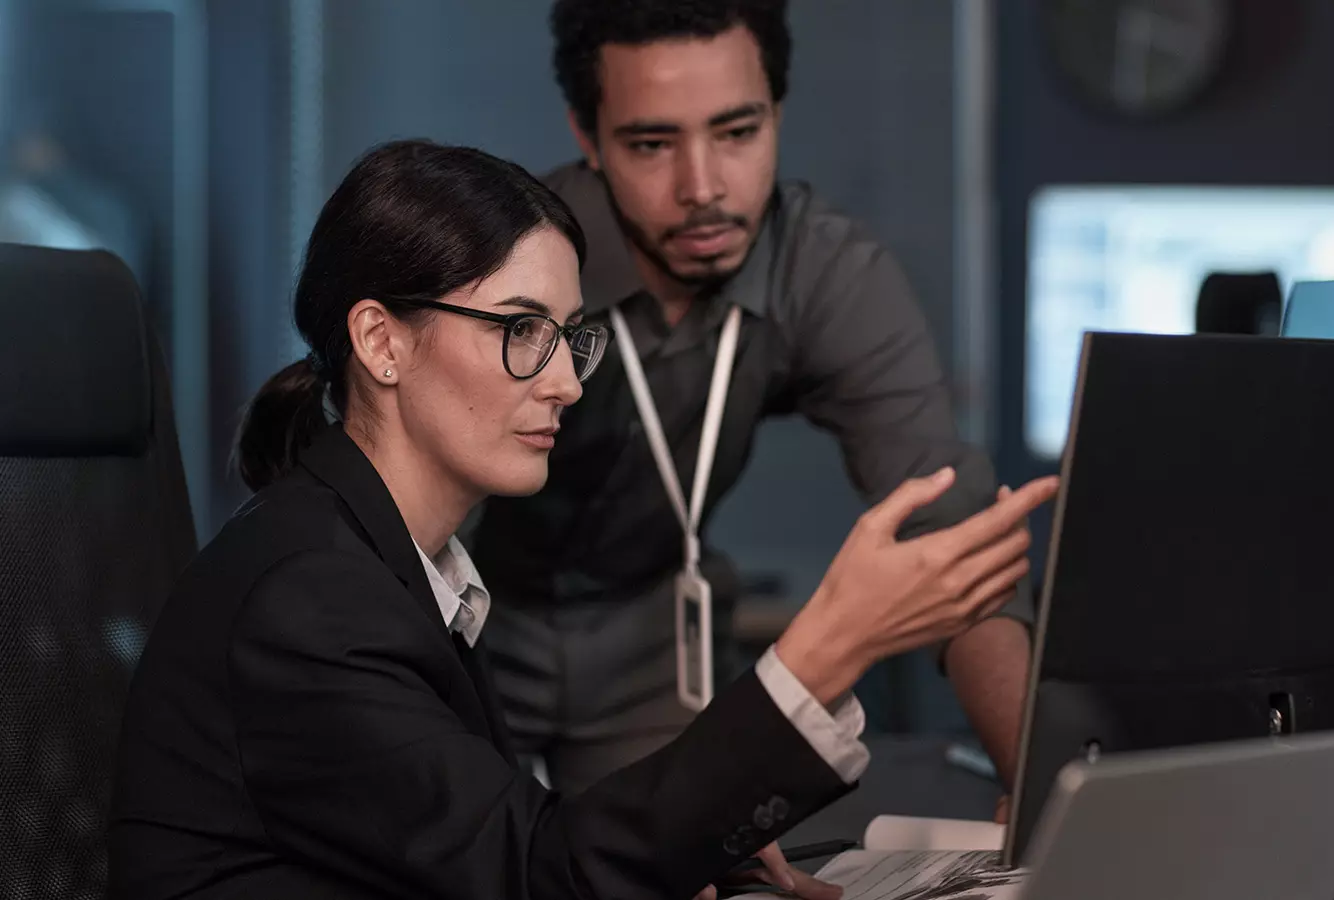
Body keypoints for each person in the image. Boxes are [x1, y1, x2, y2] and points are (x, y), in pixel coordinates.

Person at [106, 139, 1056, 900]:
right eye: (521, 331)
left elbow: (492, 841)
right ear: (381, 341)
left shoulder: (391, 565)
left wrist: (687, 849)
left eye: (571, 336)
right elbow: (538, 874)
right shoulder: (311, 600)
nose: (564, 380)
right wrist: (832, 643)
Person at [469, 0, 1037, 804]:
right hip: (471, 623)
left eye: (738, 133)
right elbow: (395, 532)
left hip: (656, 636)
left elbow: (952, 530)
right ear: (587, 138)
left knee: (705, 867)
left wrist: (1046, 798)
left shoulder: (825, 271)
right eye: (651, 144)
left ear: (776, 112)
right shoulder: (507, 264)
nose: (702, 187)